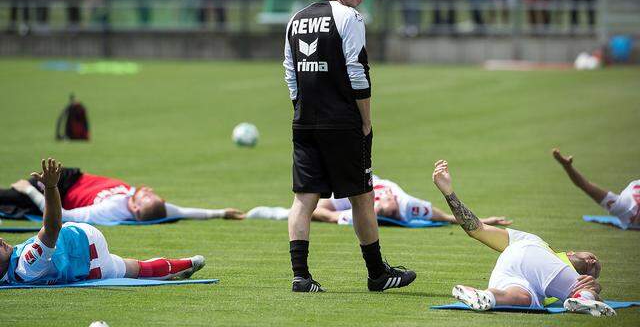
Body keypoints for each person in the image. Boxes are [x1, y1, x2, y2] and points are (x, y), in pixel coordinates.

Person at [283, 0, 416, 293]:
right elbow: (357, 72)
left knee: (304, 198)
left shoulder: (296, 19)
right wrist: (366, 121)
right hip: (342, 123)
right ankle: (377, 274)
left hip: (304, 122)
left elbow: (290, 73)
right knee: (361, 196)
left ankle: (301, 276)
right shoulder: (350, 18)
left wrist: (301, 109)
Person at [431, 159, 615, 316]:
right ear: (570, 252)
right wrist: (593, 289)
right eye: (592, 257)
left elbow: (476, 229)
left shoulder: (554, 286)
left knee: (522, 299)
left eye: (594, 268)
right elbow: (476, 229)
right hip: (528, 254)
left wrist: (448, 192)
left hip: (511, 272)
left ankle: (483, 295)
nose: (593, 262)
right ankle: (584, 299)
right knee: (587, 291)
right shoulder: (543, 248)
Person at [0, 158, 206, 286]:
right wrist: (51, 188)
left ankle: (186, 264)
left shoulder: (15, 270)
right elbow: (53, 226)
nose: (1, 239)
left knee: (137, 269)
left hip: (87, 260)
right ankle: (186, 264)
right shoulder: (26, 265)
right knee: (136, 269)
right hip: (88, 251)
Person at [0, 165, 245, 225]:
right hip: (74, 176)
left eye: (147, 197)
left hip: (59, 189)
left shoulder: (113, 209)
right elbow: (183, 211)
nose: (148, 191)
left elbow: (61, 216)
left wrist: (29, 190)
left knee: (8, 198)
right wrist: (221, 213)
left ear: (136, 210)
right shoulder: (147, 205)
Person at [247, 175, 512, 227]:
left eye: (380, 205)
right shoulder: (407, 204)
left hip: (348, 188)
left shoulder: (355, 209)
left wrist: (331, 216)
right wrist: (483, 221)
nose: (383, 198)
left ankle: (271, 214)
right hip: (360, 176)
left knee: (307, 208)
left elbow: (323, 213)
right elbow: (444, 217)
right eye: (385, 201)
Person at [553, 148, 639, 229]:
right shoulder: (624, 207)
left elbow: (584, 185)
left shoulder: (623, 207)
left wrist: (567, 167)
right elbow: (585, 185)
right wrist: (567, 166)